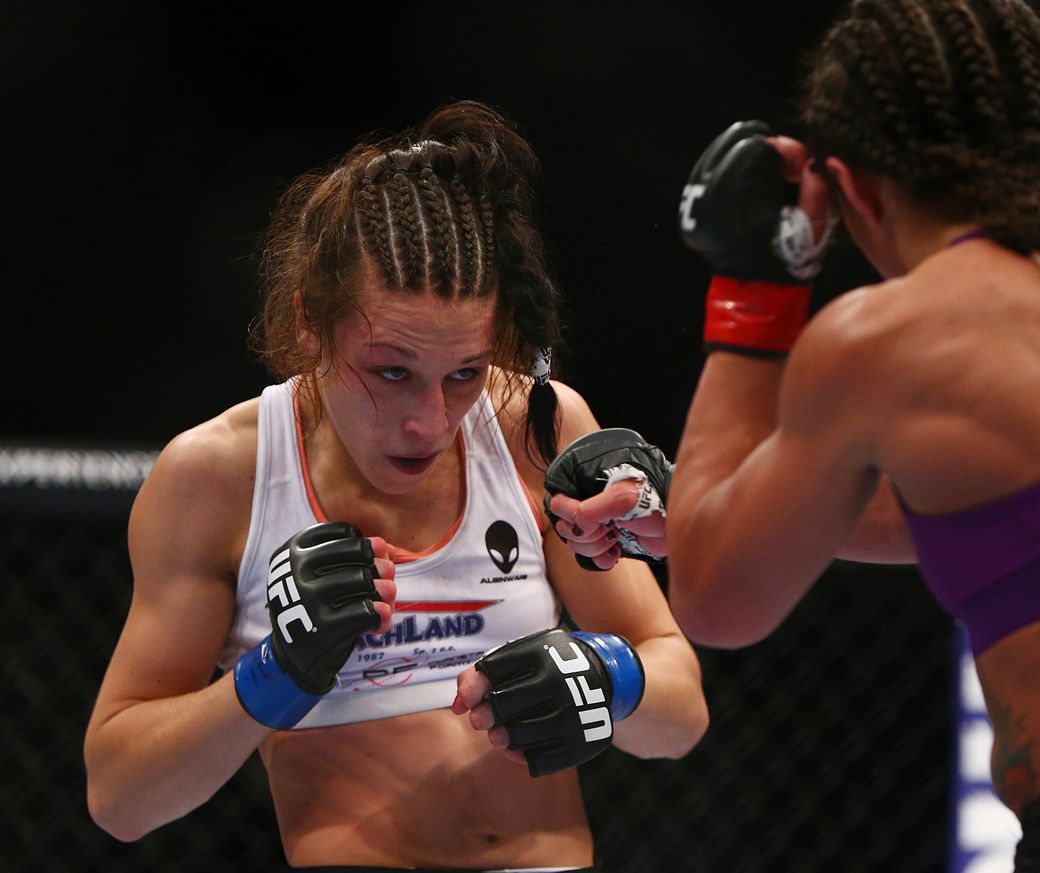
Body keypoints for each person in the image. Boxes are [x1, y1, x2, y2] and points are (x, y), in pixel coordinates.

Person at [544, 1, 1040, 869]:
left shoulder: (891, 335)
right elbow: (1015, 515)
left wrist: (758, 283)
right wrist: (697, 498)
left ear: (856, 193)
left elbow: (719, 599)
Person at [83, 100, 708, 872]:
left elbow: (680, 716)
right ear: (311, 323)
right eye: (391, 372)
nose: (428, 420)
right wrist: (276, 674)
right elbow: (120, 796)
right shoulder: (221, 476)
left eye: (464, 374)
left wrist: (610, 677)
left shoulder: (531, 427)